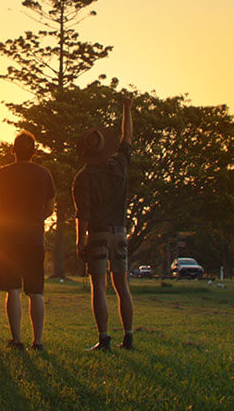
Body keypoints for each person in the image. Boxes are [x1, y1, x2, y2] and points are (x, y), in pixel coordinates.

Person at [73, 92, 135, 351]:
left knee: (99, 285)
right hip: (119, 233)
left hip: (97, 234)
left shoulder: (83, 177)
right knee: (122, 285)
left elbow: (83, 215)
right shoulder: (119, 165)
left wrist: (80, 242)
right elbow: (127, 138)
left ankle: (104, 337)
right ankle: (129, 336)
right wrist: (126, 108)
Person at [0, 132, 55, 350]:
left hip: (9, 238)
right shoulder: (44, 174)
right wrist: (36, 220)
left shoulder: (2, 174)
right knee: (36, 291)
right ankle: (37, 341)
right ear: (34, 151)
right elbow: (50, 207)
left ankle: (16, 339)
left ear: (13, 151)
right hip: (34, 238)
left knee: (13, 289)